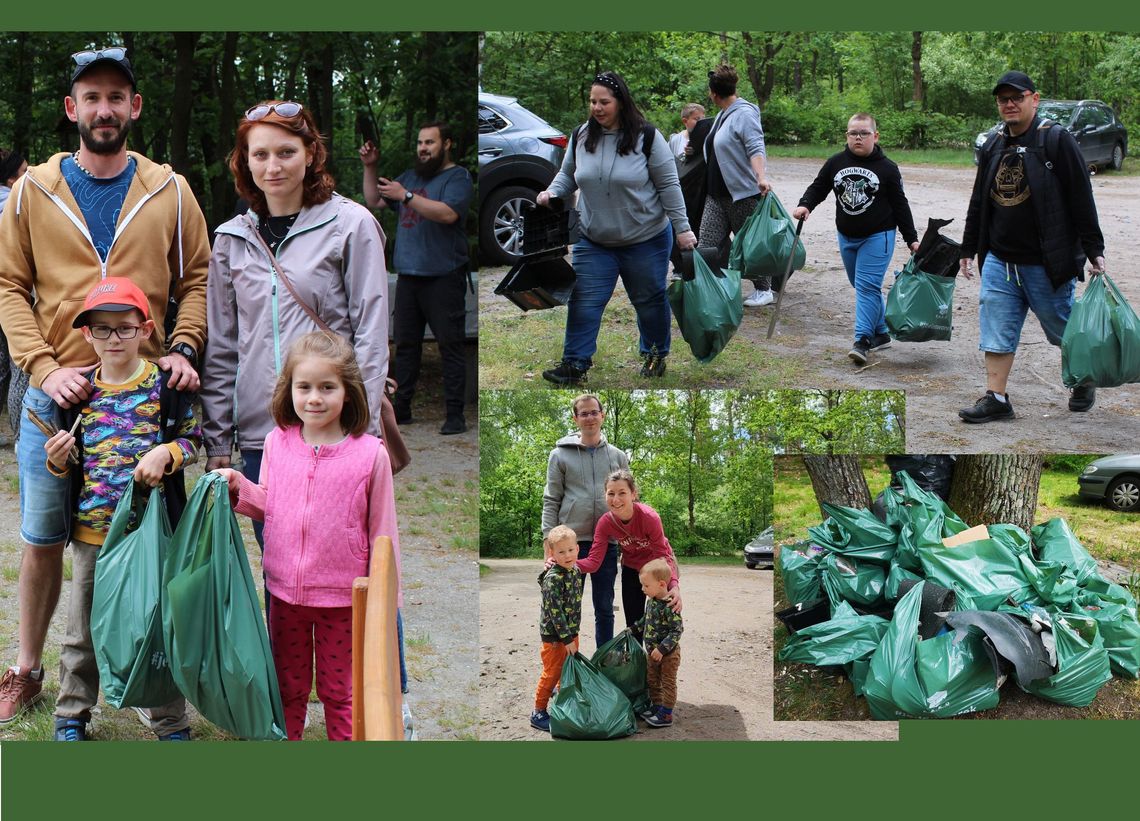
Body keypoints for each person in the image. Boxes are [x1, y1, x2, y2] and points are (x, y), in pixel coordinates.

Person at [0, 47, 209, 728]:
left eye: (117, 97)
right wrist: (41, 366)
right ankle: (30, 672)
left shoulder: (170, 190)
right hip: (55, 396)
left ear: (135, 108)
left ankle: (153, 677)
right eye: (91, 97)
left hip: (142, 396)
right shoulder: (32, 189)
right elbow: (8, 285)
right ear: (72, 109)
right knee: (42, 539)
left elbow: (196, 279)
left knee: (142, 541)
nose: (104, 109)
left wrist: (183, 346)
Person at [216, 331, 401, 741]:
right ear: (289, 390)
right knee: (287, 688)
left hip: (343, 599)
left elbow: (384, 533)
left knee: (341, 692)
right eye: (304, 387)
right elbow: (270, 504)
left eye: (327, 387)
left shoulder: (370, 453)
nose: (314, 398)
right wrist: (237, 487)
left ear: (348, 393)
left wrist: (386, 600)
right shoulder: (275, 444)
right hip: (285, 594)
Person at [44, 278, 201, 741]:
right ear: (86, 335)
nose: (114, 338)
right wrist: (57, 461)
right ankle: (71, 715)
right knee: (83, 633)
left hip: (151, 533)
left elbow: (194, 441)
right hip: (94, 535)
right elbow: (68, 467)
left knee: (155, 628)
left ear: (146, 329)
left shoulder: (166, 389)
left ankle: (170, 721)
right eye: (103, 329)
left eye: (125, 329)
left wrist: (168, 454)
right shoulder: (77, 395)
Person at [958, 71, 1106, 423]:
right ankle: (996, 398)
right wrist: (968, 248)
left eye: (1016, 97)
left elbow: (1080, 197)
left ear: (1033, 99)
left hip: (1046, 262)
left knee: (1062, 329)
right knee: (996, 328)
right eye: (1002, 99)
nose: (1009, 104)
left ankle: (1084, 379)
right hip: (1000, 259)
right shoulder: (993, 143)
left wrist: (1093, 248)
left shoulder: (1056, 140)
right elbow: (980, 200)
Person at [537, 70, 697, 386]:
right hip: (593, 239)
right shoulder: (582, 135)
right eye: (592, 101)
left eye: (604, 102)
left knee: (649, 299)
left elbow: (669, 186)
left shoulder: (648, 137)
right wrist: (552, 192)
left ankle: (655, 354)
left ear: (620, 102)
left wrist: (683, 229)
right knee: (583, 299)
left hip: (645, 238)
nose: (596, 108)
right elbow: (567, 175)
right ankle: (574, 364)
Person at [359, 121, 472, 435]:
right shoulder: (410, 177)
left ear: (446, 144)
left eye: (430, 143)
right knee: (406, 346)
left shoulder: (457, 177)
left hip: (444, 276)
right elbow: (375, 200)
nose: (423, 148)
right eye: (421, 143)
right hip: (409, 277)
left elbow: (448, 213)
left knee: (450, 346)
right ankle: (403, 409)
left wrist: (406, 195)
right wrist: (371, 167)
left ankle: (455, 415)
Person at [791, 113, 920, 365]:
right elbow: (818, 187)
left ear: (875, 136)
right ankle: (881, 332)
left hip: (878, 236)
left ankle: (862, 341)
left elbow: (901, 206)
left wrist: (911, 239)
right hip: (846, 236)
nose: (858, 138)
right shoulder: (835, 162)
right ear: (846, 136)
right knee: (860, 284)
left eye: (863, 133)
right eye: (853, 133)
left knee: (866, 286)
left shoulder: (888, 169)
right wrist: (805, 205)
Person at [541, 393, 629, 649]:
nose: (590, 417)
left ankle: (603, 668)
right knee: (566, 610)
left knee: (604, 608)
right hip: (570, 544)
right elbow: (551, 499)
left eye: (594, 412)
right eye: (584, 413)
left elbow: (625, 501)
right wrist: (549, 543)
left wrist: (627, 539)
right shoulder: (559, 455)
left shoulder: (618, 456)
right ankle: (568, 672)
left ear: (602, 415)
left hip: (607, 544)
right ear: (575, 418)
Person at [699, 64, 774, 308]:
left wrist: (761, 176)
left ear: (713, 93)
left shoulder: (745, 113)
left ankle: (765, 290)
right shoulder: (724, 113)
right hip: (716, 193)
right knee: (706, 243)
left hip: (741, 193)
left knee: (749, 245)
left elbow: (756, 147)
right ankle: (709, 289)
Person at [581, 469, 682, 640]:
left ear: (633, 494)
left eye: (622, 493)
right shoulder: (605, 523)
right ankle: (637, 664)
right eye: (610, 493)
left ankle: (660, 665)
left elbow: (662, 555)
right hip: (631, 568)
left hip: (657, 569)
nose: (616, 499)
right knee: (634, 625)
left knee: (662, 624)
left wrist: (674, 585)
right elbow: (594, 562)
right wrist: (563, 563)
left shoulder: (649, 517)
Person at [529, 524, 582, 733]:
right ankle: (538, 711)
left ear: (577, 549)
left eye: (570, 550)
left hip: (571, 632)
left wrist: (572, 636)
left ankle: (563, 700)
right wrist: (567, 638)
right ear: (552, 553)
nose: (567, 555)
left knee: (567, 669)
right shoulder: (554, 578)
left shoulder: (575, 570)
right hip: (555, 635)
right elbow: (555, 612)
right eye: (561, 552)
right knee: (552, 672)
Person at [0, 147, 28, 444]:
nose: (29, 176)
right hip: (12, 295)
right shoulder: (15, 204)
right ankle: (22, 434)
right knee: (20, 367)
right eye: (23, 173)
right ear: (11, 180)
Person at [634, 558, 683, 728]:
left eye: (646, 586)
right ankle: (657, 707)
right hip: (652, 653)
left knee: (667, 682)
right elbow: (645, 620)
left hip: (668, 654)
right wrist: (633, 628)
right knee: (653, 680)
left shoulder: (670, 605)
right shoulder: (651, 601)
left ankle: (666, 714)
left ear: (662, 584)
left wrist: (662, 649)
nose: (642, 589)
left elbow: (677, 630)